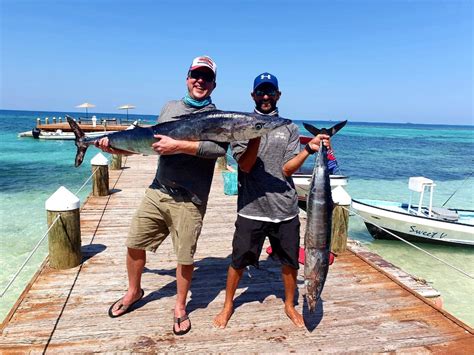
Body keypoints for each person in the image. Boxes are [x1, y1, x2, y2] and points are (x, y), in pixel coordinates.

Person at [98, 56, 227, 336]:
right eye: (196, 75)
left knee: (184, 257)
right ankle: (134, 291)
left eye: (206, 77)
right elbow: (149, 145)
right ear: (187, 78)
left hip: (190, 199)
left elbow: (219, 151)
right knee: (134, 242)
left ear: (214, 84)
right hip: (158, 190)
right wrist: (115, 149)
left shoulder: (217, 117)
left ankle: (180, 307)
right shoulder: (169, 107)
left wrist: (179, 145)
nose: (200, 81)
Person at [213, 72, 333, 329]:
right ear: (253, 95)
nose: (265, 96)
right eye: (261, 92)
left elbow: (287, 170)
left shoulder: (289, 127)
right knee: (238, 261)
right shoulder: (240, 126)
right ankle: (228, 305)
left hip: (285, 210)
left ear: (278, 95)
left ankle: (289, 305)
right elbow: (245, 166)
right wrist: (256, 133)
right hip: (251, 209)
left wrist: (310, 150)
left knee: (289, 263)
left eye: (270, 92)